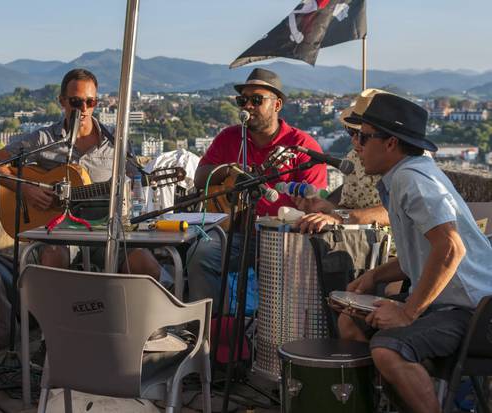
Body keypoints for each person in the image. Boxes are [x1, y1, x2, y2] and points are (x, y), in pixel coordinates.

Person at [335, 92, 492, 413]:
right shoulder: (405, 175)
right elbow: (423, 254)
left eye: (363, 137)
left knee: (388, 350)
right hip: (449, 304)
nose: (357, 145)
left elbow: (451, 248)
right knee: (350, 323)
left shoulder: (411, 179)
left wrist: (407, 313)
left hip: (473, 312)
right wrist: (375, 276)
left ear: (391, 143)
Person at [0, 68, 169, 284]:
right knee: (52, 259)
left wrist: (136, 188)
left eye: (90, 102)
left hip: (104, 231)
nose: (83, 109)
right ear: (62, 101)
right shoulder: (44, 139)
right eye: (76, 101)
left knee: (147, 267)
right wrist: (26, 190)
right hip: (61, 233)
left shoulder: (116, 142)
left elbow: (136, 180)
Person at [188, 67, 327, 306]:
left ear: (277, 105)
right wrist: (230, 170)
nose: (247, 106)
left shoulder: (302, 145)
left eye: (256, 100)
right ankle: (210, 326)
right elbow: (200, 178)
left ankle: (265, 333)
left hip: (284, 238)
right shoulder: (229, 137)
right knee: (200, 254)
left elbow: (313, 205)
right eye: (243, 100)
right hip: (236, 233)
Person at [295, 88, 390, 233]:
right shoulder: (353, 158)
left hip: (395, 251)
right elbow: (349, 209)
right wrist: (326, 208)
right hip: (360, 246)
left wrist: (339, 218)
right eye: (351, 132)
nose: (354, 141)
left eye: (361, 135)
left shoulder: (406, 160)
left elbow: (396, 211)